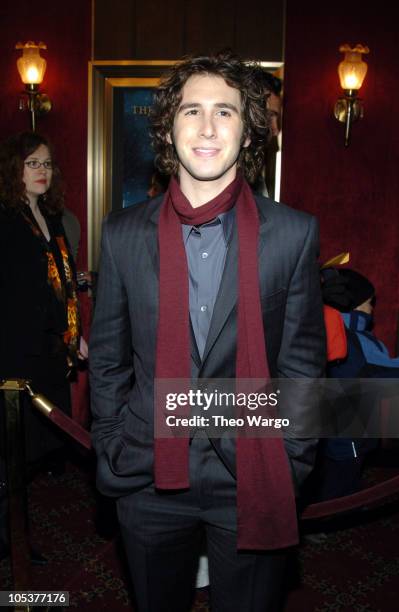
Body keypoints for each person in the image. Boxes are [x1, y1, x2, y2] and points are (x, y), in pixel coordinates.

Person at [90, 52, 325, 612]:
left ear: (248, 133)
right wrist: (114, 442)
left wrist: (291, 458)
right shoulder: (122, 235)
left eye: (226, 111)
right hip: (147, 468)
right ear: (170, 128)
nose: (207, 126)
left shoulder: (293, 234)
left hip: (252, 468)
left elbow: (302, 366)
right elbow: (107, 359)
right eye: (191, 110)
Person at [0, 132, 86, 558]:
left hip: (50, 351)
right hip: (15, 353)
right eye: (32, 163)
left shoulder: (52, 217)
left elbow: (63, 285)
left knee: (35, 452)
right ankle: (10, 540)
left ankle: (13, 531)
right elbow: (21, 293)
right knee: (12, 454)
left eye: (47, 164)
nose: (41, 171)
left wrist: (76, 335)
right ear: (13, 168)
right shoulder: (6, 218)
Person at [313, 268, 399, 500]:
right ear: (353, 304)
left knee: (331, 472)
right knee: (342, 480)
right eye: (369, 302)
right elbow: (384, 372)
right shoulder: (355, 339)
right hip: (349, 429)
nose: (372, 308)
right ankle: (332, 518)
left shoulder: (330, 329)